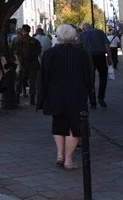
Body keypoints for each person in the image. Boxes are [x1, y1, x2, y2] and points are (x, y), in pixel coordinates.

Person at [36, 24, 93, 171]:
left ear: (58, 37)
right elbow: (89, 76)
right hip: (76, 95)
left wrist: (41, 95)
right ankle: (68, 160)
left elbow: (43, 77)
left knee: (58, 124)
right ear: (74, 37)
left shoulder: (49, 54)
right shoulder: (81, 54)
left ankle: (60, 155)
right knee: (74, 128)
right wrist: (90, 94)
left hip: (55, 95)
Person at [77, 22, 112, 109]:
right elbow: (107, 45)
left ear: (84, 28)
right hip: (101, 56)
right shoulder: (100, 32)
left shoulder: (81, 35)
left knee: (90, 80)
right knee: (103, 78)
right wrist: (109, 58)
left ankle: (93, 102)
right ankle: (101, 97)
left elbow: (79, 48)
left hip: (89, 58)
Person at [12, 24, 42, 105]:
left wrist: (19, 61)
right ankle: (32, 98)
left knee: (19, 80)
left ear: (22, 30)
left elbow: (16, 52)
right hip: (33, 63)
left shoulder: (19, 40)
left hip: (22, 63)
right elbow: (39, 51)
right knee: (32, 81)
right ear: (29, 30)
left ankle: (17, 97)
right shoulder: (35, 41)